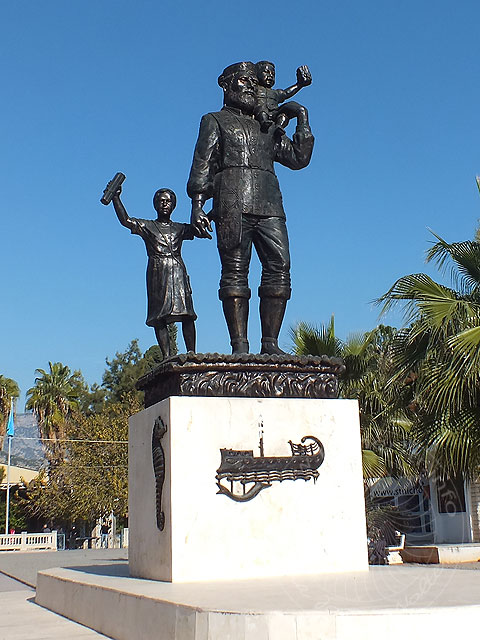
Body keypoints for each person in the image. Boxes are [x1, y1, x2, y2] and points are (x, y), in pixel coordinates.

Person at [187, 61, 314, 355]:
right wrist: (197, 205)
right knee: (234, 272)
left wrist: (302, 118)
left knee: (279, 266)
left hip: (269, 203)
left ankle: (270, 343)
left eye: (253, 83)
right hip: (232, 202)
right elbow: (202, 164)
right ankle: (240, 347)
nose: (251, 88)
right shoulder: (215, 120)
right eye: (244, 81)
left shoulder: (265, 124)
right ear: (226, 85)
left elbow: (297, 158)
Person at [110, 185, 199, 358]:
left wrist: (206, 208)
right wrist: (116, 198)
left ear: (173, 205)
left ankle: (192, 353)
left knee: (187, 313)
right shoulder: (148, 226)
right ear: (155, 205)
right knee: (159, 316)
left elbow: (197, 228)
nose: (165, 204)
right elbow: (126, 220)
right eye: (161, 201)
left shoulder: (180, 228)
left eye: (168, 201)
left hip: (177, 270)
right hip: (157, 272)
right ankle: (166, 355)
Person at [254, 61, 312, 133]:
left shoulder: (275, 92)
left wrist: (300, 84)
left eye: (273, 74)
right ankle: (264, 122)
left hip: (275, 112)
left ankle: (279, 127)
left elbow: (286, 93)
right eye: (266, 72)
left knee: (284, 114)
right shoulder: (254, 89)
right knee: (261, 109)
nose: (270, 76)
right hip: (260, 112)